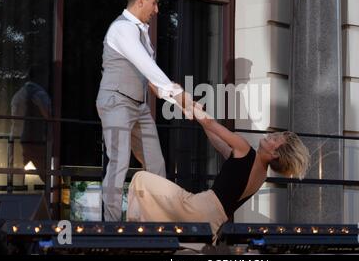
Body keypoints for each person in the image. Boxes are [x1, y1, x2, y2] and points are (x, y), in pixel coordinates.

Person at [127, 101, 310, 237]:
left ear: (275, 154)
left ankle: (134, 235)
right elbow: (219, 143)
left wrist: (188, 105)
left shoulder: (245, 149)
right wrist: (200, 116)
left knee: (141, 179)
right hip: (214, 223)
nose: (271, 135)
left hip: (197, 208)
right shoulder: (261, 175)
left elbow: (211, 124)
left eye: (275, 139)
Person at [96, 0, 185, 221]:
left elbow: (151, 79)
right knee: (119, 162)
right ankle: (112, 226)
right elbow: (146, 65)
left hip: (138, 105)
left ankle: (156, 219)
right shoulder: (122, 28)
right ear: (141, 0)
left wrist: (181, 102)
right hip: (116, 102)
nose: (156, 10)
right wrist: (179, 96)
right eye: (154, 3)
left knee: (156, 164)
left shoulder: (143, 34)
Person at [10, 64, 52, 183]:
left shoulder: (17, 96)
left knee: (15, 178)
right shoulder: (40, 95)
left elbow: (14, 120)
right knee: (47, 178)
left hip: (19, 140)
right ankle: (49, 199)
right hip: (37, 142)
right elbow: (49, 117)